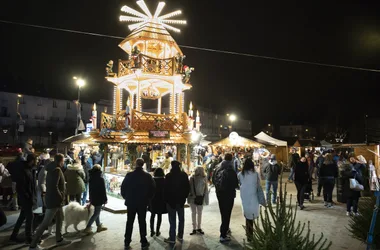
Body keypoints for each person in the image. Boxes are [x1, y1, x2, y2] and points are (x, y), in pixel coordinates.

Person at [29, 154, 71, 250]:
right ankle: (33, 245)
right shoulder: (56, 170)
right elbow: (54, 186)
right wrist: (60, 196)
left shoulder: (52, 168)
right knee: (45, 222)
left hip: (55, 200)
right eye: (63, 161)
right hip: (54, 200)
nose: (63, 163)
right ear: (60, 161)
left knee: (60, 219)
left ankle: (59, 239)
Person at [121, 158, 155, 250]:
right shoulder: (147, 176)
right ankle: (143, 241)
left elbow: (123, 187)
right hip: (142, 203)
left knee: (129, 222)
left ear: (135, 164)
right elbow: (152, 189)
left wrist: (126, 197)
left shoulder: (129, 175)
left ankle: (127, 241)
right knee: (142, 221)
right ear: (143, 164)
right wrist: (148, 199)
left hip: (131, 202)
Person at [10, 154, 37, 244]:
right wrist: (29, 197)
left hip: (27, 197)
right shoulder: (24, 170)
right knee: (30, 217)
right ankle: (29, 238)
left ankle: (13, 236)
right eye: (35, 160)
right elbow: (21, 186)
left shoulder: (29, 169)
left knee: (22, 217)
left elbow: (31, 184)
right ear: (32, 160)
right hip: (26, 198)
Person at [212, 153, 239, 243]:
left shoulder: (217, 167)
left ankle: (225, 228)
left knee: (223, 212)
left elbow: (213, 180)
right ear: (231, 159)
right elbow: (235, 184)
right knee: (227, 213)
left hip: (219, 194)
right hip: (229, 194)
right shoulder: (230, 169)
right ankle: (223, 234)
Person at [163, 161, 190, 245]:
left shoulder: (168, 176)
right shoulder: (184, 175)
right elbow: (187, 188)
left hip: (171, 202)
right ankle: (180, 235)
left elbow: (165, 189)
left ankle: (172, 238)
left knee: (172, 220)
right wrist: (184, 197)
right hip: (181, 201)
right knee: (181, 219)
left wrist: (166, 200)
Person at [238, 158, 260, 242]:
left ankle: (249, 234)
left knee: (248, 215)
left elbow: (240, 183)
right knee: (252, 215)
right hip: (253, 196)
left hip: (245, 196)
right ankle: (250, 234)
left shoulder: (240, 174)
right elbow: (258, 185)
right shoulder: (255, 174)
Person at [83, 164, 108, 234]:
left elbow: (90, 189)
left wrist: (90, 198)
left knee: (97, 212)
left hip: (93, 197)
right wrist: (105, 199)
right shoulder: (100, 179)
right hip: (99, 197)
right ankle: (88, 227)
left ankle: (99, 226)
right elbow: (103, 190)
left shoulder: (91, 177)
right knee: (96, 213)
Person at [188, 166, 209, 236]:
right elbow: (206, 189)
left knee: (193, 213)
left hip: (192, 198)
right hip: (200, 197)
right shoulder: (204, 178)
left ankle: (194, 228)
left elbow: (189, 189)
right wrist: (206, 199)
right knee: (199, 213)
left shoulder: (191, 178)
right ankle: (198, 227)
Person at [148, 167, 166, 237]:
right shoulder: (164, 180)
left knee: (152, 215)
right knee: (159, 215)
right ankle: (158, 231)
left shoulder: (152, 180)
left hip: (153, 200)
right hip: (161, 200)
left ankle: (152, 231)